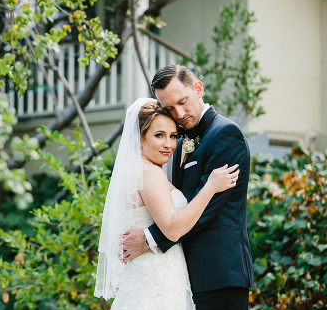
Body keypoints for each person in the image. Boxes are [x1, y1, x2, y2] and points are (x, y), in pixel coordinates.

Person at [118, 65, 255, 309]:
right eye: (170, 108)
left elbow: (207, 208)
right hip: (185, 274)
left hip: (219, 273)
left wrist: (149, 238)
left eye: (183, 101)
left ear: (199, 88)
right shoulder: (178, 141)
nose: (179, 113)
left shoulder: (226, 134)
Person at [94, 97, 239, 309]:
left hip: (149, 276)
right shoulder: (149, 172)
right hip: (157, 281)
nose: (169, 144)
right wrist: (210, 187)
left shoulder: (136, 170)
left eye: (173, 136)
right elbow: (172, 228)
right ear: (139, 138)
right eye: (159, 135)